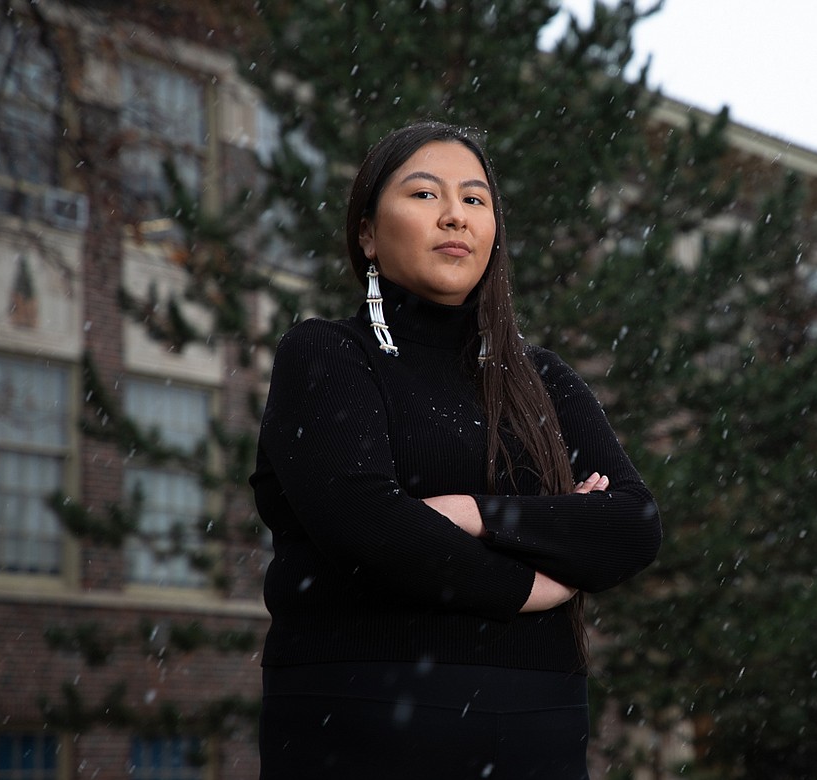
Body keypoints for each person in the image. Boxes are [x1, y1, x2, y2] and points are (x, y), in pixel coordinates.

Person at [249, 121, 662, 778]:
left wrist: (475, 513)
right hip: (361, 712)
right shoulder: (328, 354)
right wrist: (536, 582)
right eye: (423, 194)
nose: (454, 216)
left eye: (475, 200)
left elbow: (633, 524)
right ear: (366, 234)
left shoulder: (543, 379)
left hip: (539, 722)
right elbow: (365, 525)